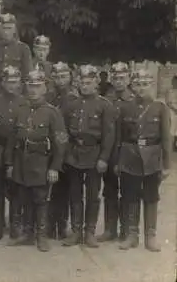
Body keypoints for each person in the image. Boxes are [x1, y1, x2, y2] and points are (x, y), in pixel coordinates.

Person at [4, 69, 67, 252]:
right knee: (23, 198)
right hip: (21, 161)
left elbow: (60, 142)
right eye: (30, 86)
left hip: (41, 162)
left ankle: (41, 236)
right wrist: (9, 164)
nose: (33, 90)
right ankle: (28, 233)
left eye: (37, 86)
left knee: (41, 199)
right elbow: (11, 139)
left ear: (44, 88)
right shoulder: (20, 110)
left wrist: (55, 167)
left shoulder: (52, 113)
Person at [116, 68, 171, 252]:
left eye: (145, 84)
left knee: (151, 196)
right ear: (132, 86)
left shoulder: (160, 108)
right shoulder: (125, 107)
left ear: (151, 85)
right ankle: (132, 235)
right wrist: (118, 161)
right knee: (130, 195)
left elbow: (166, 138)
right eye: (138, 84)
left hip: (152, 157)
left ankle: (151, 236)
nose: (141, 88)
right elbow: (119, 137)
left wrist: (167, 165)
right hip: (130, 155)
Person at [62, 65, 115, 248]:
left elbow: (109, 135)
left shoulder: (104, 105)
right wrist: (66, 153)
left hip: (94, 155)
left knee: (93, 195)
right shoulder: (71, 105)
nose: (85, 86)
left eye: (89, 83)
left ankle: (90, 231)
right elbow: (63, 133)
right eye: (82, 83)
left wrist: (104, 158)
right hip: (74, 154)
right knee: (75, 194)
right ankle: (76, 231)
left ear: (96, 84)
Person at [0, 65, 27, 241]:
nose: (11, 85)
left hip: (17, 152)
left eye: (15, 81)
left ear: (19, 83)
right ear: (2, 82)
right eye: (8, 81)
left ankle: (16, 225)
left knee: (16, 190)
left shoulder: (24, 102)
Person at [97, 62, 135, 243]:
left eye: (122, 78)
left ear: (128, 79)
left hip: (129, 153)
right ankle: (110, 229)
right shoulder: (106, 101)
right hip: (110, 153)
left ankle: (127, 230)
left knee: (128, 192)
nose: (119, 82)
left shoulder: (134, 100)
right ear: (111, 79)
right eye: (116, 78)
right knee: (109, 191)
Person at [45, 62, 77, 240]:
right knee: (49, 189)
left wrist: (64, 148)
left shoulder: (74, 98)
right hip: (49, 147)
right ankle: (49, 224)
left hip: (68, 148)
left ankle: (63, 225)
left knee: (65, 189)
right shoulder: (49, 96)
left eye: (63, 76)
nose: (60, 80)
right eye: (56, 76)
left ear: (70, 77)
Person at [0, 13, 32, 92]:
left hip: (17, 89)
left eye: (9, 28)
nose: (6, 32)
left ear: (14, 29)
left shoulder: (23, 48)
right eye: (4, 28)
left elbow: (27, 75)